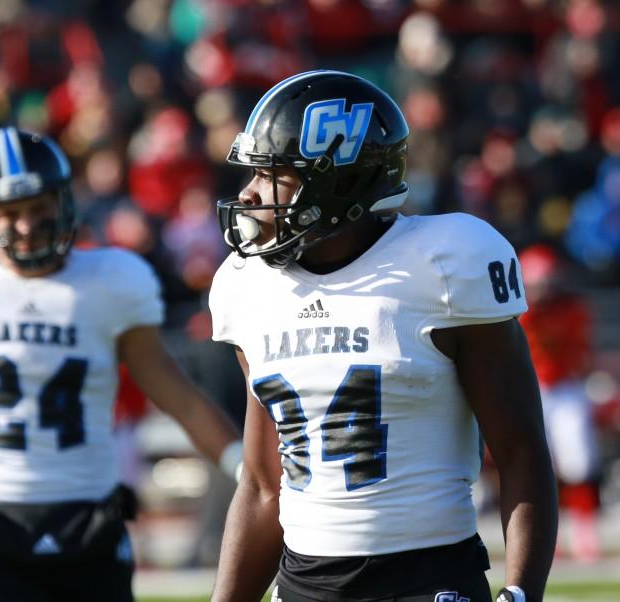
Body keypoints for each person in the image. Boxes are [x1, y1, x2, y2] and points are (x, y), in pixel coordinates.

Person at [208, 71, 558, 602]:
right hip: (302, 584)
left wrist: (522, 591)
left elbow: (521, 450)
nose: (249, 193)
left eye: (273, 173)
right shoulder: (246, 286)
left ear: (337, 180)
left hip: (428, 579)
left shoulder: (443, 261)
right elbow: (262, 485)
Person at [0, 127, 243, 602]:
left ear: (62, 202)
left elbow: (176, 394)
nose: (26, 225)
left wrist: (249, 471)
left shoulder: (111, 280)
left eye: (38, 207)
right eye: (9, 213)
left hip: (91, 519)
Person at [518, 243, 601, 562]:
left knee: (578, 462)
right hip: (532, 388)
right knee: (538, 465)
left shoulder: (572, 308)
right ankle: (544, 537)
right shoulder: (519, 311)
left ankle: (583, 533)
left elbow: (579, 353)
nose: (543, 289)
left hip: (565, 387)